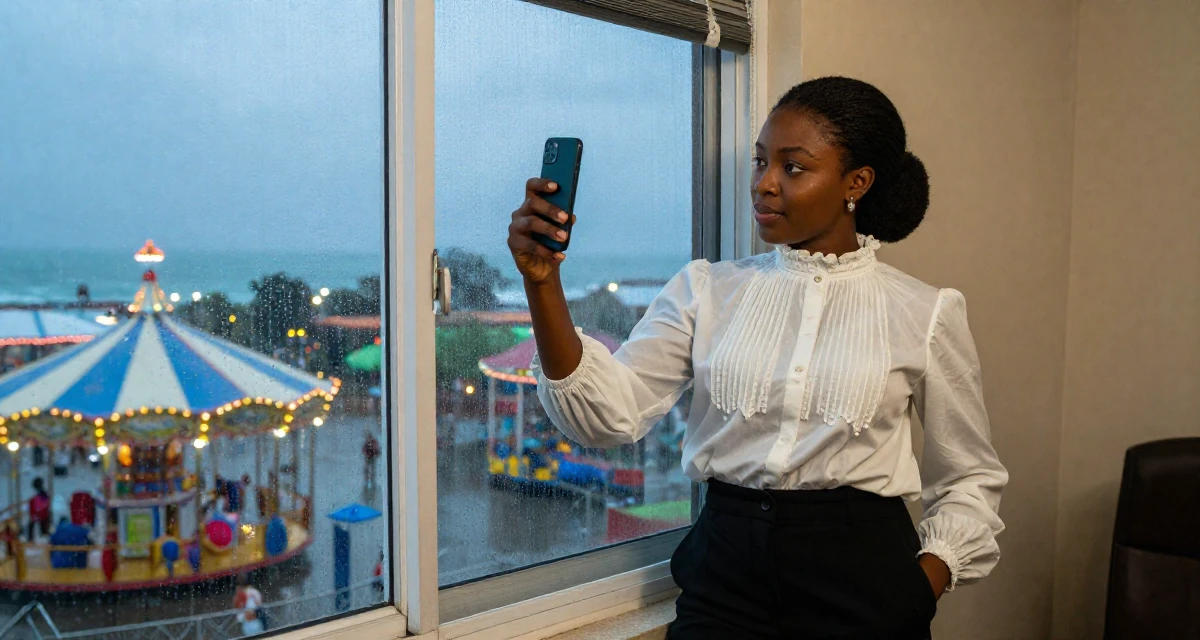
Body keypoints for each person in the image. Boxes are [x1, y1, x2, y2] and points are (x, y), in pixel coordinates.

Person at [508, 76, 1008, 638]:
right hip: (725, 579)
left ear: (857, 182)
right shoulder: (706, 290)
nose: (764, 185)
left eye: (792, 167)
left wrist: (922, 584)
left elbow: (970, 476)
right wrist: (543, 285)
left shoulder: (927, 311)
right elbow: (605, 416)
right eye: (760, 162)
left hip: (865, 585)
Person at [27, 478, 51, 542]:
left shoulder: (39, 495)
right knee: (43, 529)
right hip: (42, 515)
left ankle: (31, 540)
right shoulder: (44, 494)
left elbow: (37, 506)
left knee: (32, 527)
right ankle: (43, 539)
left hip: (38, 515)